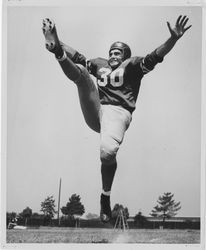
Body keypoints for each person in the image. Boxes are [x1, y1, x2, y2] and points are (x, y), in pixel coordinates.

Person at [42, 15, 191, 223]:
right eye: (111, 51)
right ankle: (57, 53)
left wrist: (172, 40)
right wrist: (59, 43)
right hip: (98, 110)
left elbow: (155, 56)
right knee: (83, 73)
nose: (112, 54)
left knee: (107, 153)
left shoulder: (132, 66)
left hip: (117, 113)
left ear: (125, 55)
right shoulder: (100, 64)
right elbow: (77, 55)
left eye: (117, 52)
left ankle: (105, 197)